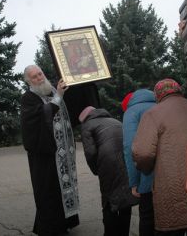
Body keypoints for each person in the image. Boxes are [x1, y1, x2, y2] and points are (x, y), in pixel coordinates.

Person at [132, 78, 187, 236]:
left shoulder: (153, 114)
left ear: (158, 95)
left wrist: (145, 169)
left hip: (171, 188)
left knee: (173, 227)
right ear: (179, 90)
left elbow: (143, 152)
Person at [20, 65, 79, 235]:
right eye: (34, 77)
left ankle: (66, 222)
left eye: (40, 74)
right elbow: (42, 116)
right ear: (28, 81)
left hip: (61, 152)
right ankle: (51, 228)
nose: (39, 78)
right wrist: (59, 97)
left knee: (63, 187)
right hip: (43, 154)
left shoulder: (52, 90)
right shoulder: (28, 97)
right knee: (48, 191)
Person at [79, 106, 138, 236]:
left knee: (108, 200)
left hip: (107, 163)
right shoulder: (116, 121)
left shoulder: (87, 125)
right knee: (125, 199)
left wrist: (96, 169)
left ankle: (110, 233)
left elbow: (90, 152)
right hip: (125, 160)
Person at [122, 89, 156, 236]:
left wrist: (134, 181)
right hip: (170, 176)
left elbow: (130, 146)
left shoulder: (131, 112)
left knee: (147, 217)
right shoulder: (161, 106)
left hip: (147, 177)